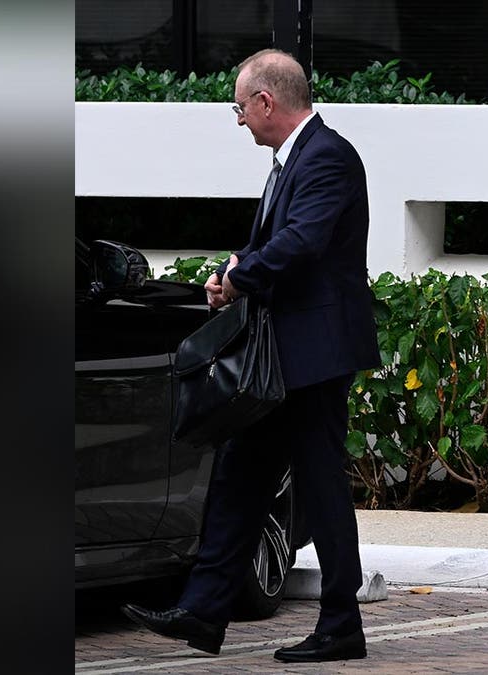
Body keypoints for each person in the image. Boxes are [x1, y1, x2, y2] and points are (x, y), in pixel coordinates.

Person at [121, 48, 380, 663]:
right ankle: (204, 612)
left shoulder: (328, 157)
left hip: (314, 355)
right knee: (239, 474)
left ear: (267, 101)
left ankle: (341, 623)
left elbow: (303, 242)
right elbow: (272, 241)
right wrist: (233, 270)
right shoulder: (291, 159)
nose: (238, 119)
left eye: (240, 107)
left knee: (320, 488)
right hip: (282, 356)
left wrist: (241, 276)